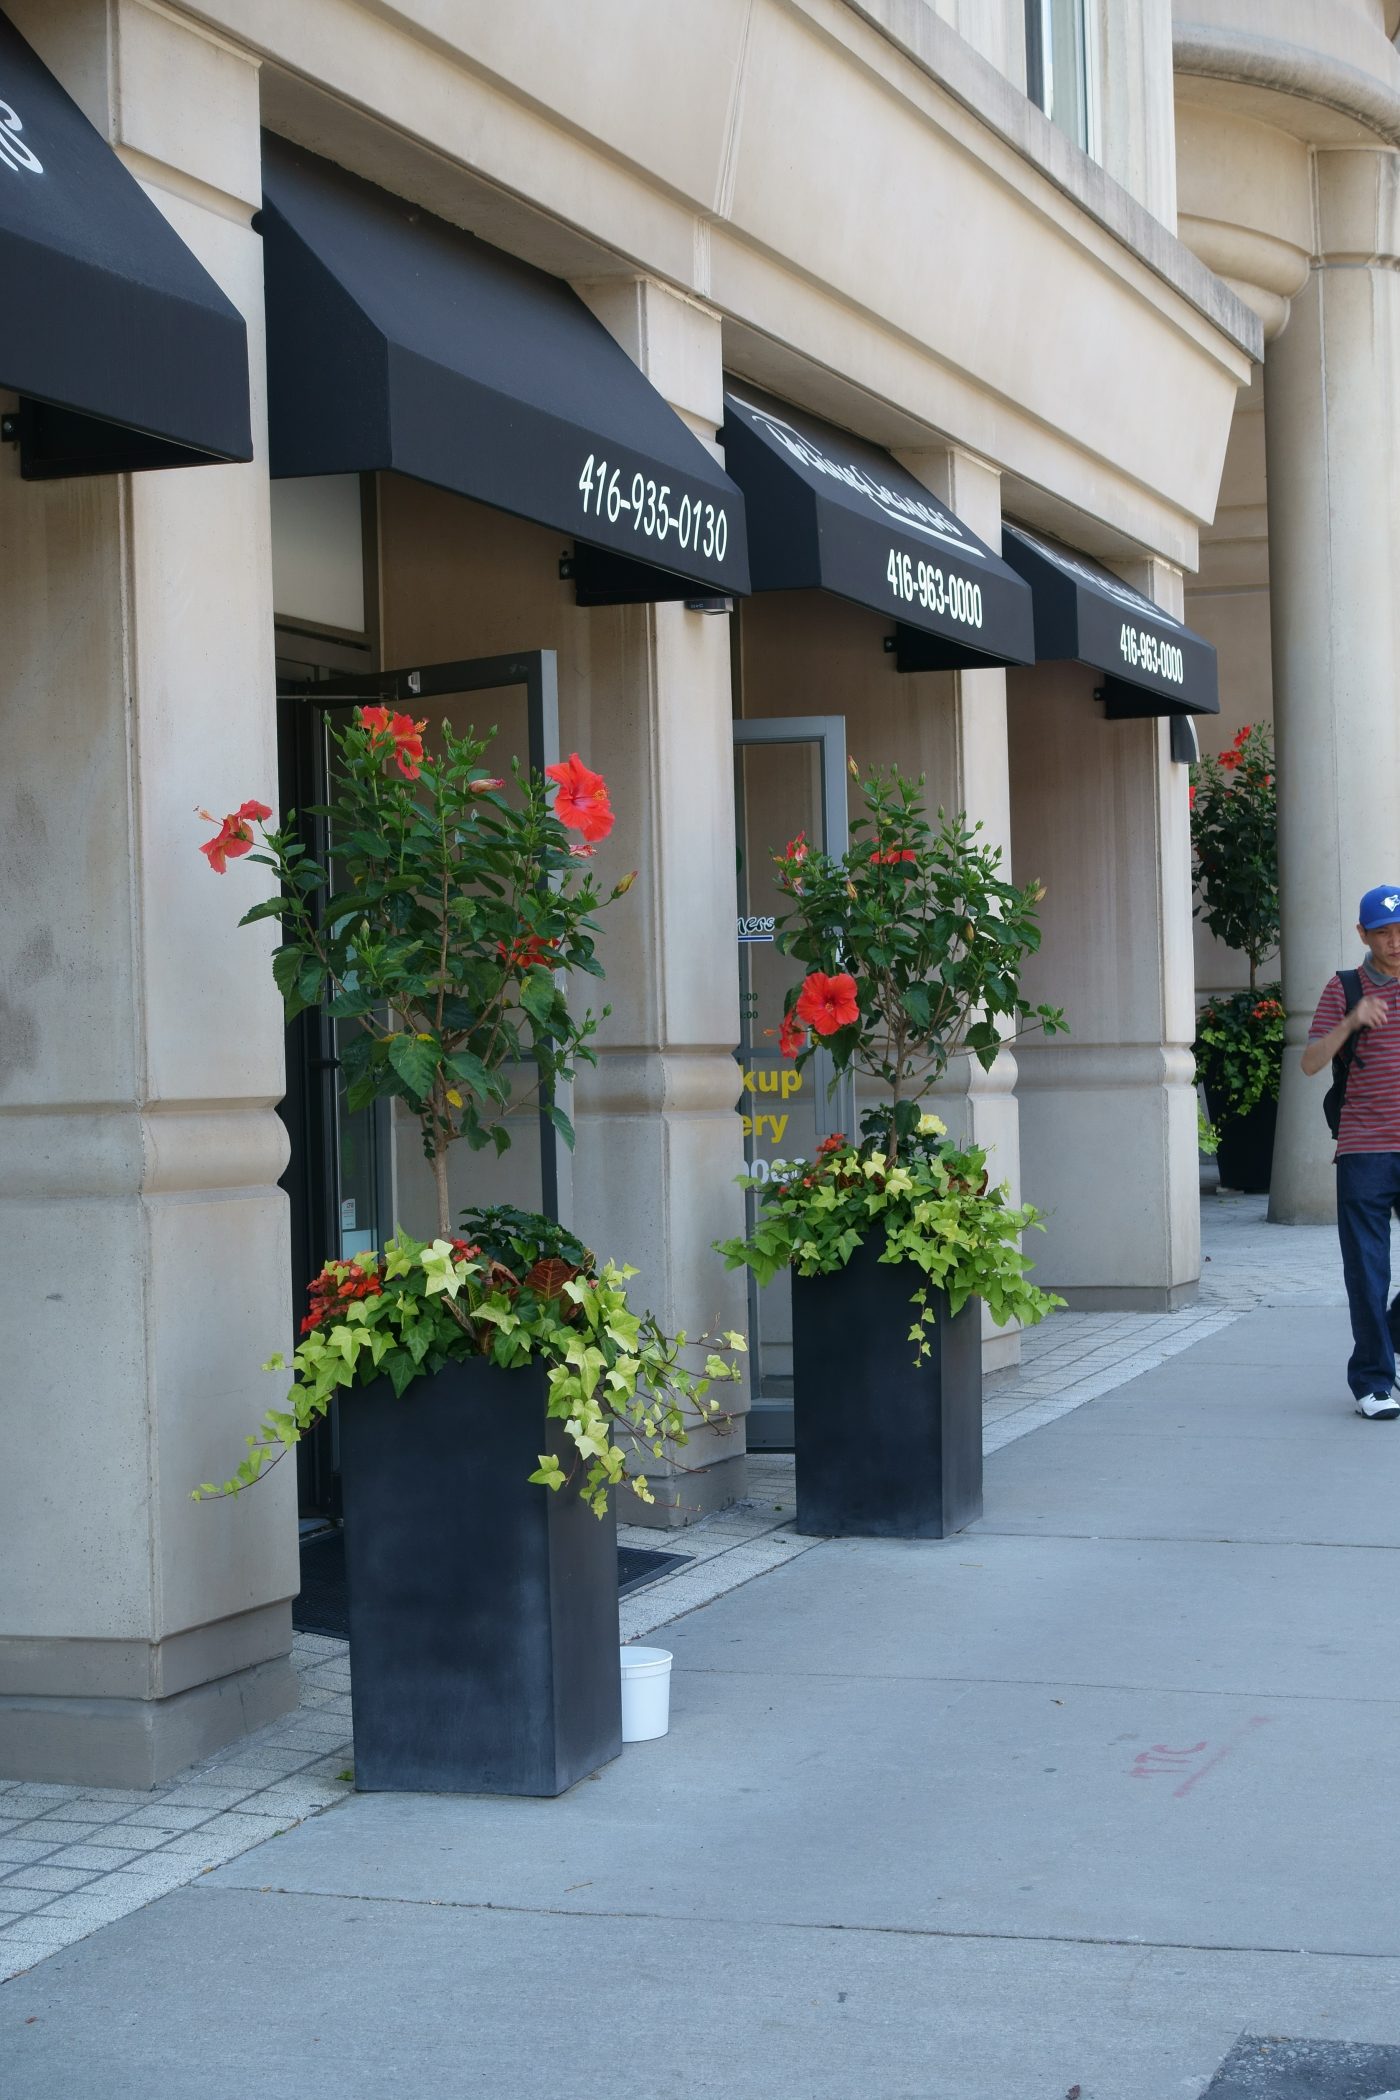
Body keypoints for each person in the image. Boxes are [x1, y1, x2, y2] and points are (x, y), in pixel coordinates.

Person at [1302, 886, 1400, 1417]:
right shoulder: (1344, 988)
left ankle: (1389, 1338)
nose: (1394, 940)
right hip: (1365, 1149)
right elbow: (1311, 1062)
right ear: (1363, 934)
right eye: (1383, 931)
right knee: (1367, 1269)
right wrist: (1352, 1020)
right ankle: (1372, 1380)